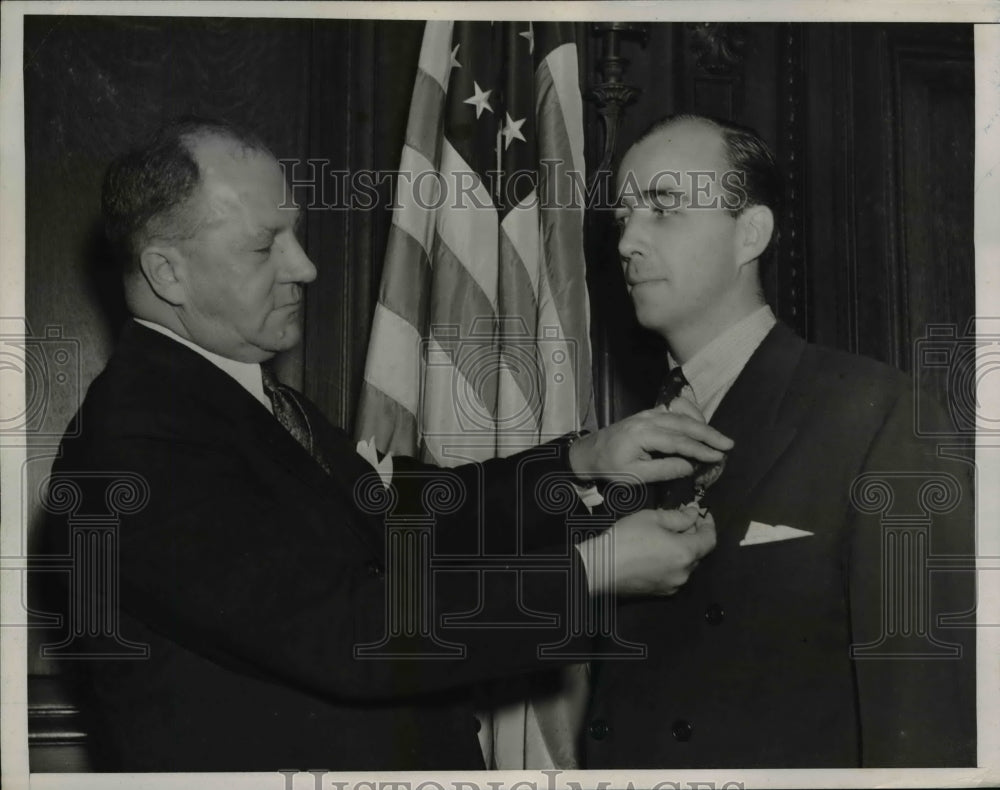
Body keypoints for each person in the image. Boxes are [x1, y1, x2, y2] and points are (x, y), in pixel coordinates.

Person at [40, 117, 732, 772]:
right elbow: (352, 632)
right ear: (168, 273)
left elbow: (398, 517)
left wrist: (580, 462)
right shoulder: (136, 441)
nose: (305, 267)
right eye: (264, 246)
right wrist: (593, 570)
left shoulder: (229, 395)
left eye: (296, 234)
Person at [581, 114, 976, 768]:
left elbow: (923, 707)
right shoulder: (630, 442)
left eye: (663, 208)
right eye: (625, 216)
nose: (628, 241)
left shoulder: (878, 413)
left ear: (750, 233)